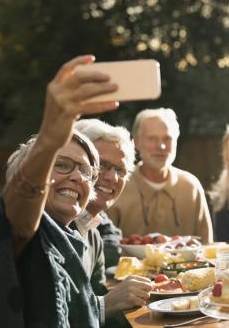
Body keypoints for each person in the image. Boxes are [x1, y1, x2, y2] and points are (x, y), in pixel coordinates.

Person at [1, 55, 121, 327]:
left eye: (87, 171)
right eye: (62, 164)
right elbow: (19, 214)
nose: (77, 176)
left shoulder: (77, 239)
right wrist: (48, 141)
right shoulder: (20, 235)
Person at [75, 118, 152, 323]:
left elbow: (99, 308)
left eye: (120, 170)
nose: (112, 177)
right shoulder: (50, 226)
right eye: (102, 165)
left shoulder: (92, 231)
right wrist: (109, 303)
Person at [107, 108, 213, 243]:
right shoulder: (119, 184)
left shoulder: (191, 186)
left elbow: (206, 245)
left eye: (167, 138)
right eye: (152, 139)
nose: (161, 146)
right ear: (136, 143)